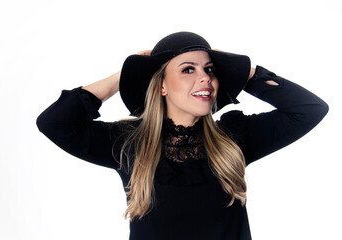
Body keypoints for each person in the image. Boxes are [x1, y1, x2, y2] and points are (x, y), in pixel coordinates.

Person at [36, 32, 328, 240]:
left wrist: (244, 73)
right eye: (188, 69)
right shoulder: (128, 142)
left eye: (210, 70)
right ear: (161, 85)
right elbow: (55, 123)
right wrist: (123, 75)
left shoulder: (235, 137)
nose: (205, 77)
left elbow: (310, 109)